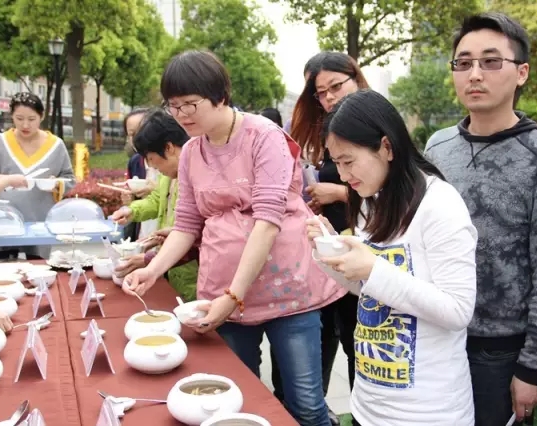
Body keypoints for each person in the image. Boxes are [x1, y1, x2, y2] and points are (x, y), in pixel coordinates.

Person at [122, 50, 345, 426]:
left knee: (306, 404)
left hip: (285, 288)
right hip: (223, 288)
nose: (182, 115)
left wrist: (234, 295)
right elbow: (187, 224)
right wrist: (154, 269)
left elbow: (268, 221)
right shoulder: (192, 151)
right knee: (234, 400)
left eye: (190, 104)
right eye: (174, 106)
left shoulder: (264, 137)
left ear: (221, 96)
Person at [424, 12, 537, 425]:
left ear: (521, 72)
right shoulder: (437, 147)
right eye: (464, 62)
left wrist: (532, 367)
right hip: (436, 337)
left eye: (491, 61)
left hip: (499, 350)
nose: (475, 74)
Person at [307, 89, 477, 425]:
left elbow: (458, 310)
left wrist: (373, 268)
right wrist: (330, 254)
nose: (342, 176)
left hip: (428, 413)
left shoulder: (439, 204)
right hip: (370, 405)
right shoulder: (369, 202)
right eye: (336, 163)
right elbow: (370, 290)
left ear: (386, 147)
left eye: (348, 160)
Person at [285, 51, 369, 422]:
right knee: (328, 334)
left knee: (357, 342)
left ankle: (362, 412)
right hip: (330, 248)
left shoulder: (376, 122)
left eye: (337, 86)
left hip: (365, 251)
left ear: (355, 78)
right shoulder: (324, 132)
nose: (331, 96)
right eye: (321, 92)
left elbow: (396, 192)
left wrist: (337, 193)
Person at [110, 109, 199, 302]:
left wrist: (149, 259)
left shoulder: (198, 176)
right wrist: (131, 210)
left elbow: (197, 231)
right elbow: (156, 200)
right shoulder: (170, 175)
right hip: (168, 265)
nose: (151, 166)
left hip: (192, 275)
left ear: (168, 148)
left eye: (151, 159)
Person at [0, 92, 75, 261]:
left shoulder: (56, 145)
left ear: (42, 116)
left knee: (38, 271)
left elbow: (69, 177)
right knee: (6, 270)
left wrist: (57, 183)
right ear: (12, 116)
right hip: (4, 219)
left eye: (31, 119)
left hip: (40, 218)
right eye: (19, 118)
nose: (25, 125)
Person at [122, 108, 155, 241]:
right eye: (131, 134)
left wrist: (153, 188)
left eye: (140, 131)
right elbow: (133, 205)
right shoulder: (135, 161)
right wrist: (128, 201)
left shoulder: (174, 160)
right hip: (142, 234)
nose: (136, 138)